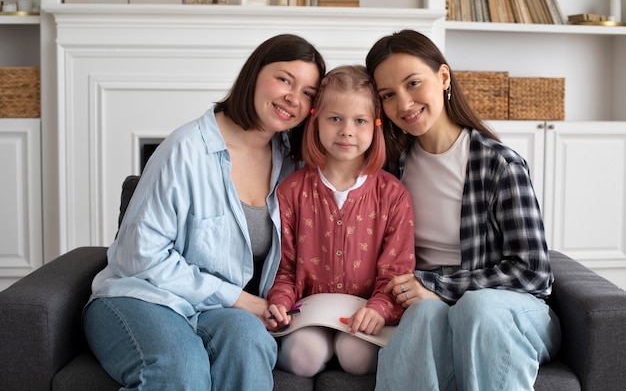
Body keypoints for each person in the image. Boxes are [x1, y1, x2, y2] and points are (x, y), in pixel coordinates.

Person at [82, 34, 326, 391]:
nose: (293, 97)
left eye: (308, 92)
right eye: (284, 79)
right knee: (181, 368)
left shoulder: (289, 162)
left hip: (213, 310)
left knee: (249, 340)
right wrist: (241, 300)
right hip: (140, 296)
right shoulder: (185, 149)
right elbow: (141, 257)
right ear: (254, 74)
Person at [364, 29, 561, 391]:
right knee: (423, 313)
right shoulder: (393, 171)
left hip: (510, 311)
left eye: (413, 83)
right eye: (388, 95)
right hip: (430, 304)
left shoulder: (499, 164)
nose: (404, 103)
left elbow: (533, 274)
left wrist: (439, 285)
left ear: (443, 77)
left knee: (477, 309)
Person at [265, 65, 416, 377]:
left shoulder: (393, 195)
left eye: (359, 121)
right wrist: (280, 303)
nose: (347, 130)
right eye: (335, 119)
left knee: (356, 357)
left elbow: (396, 272)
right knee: (303, 356)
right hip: (308, 314)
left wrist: (379, 309)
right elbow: (285, 269)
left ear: (375, 126)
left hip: (364, 315)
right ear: (316, 120)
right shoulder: (291, 191)